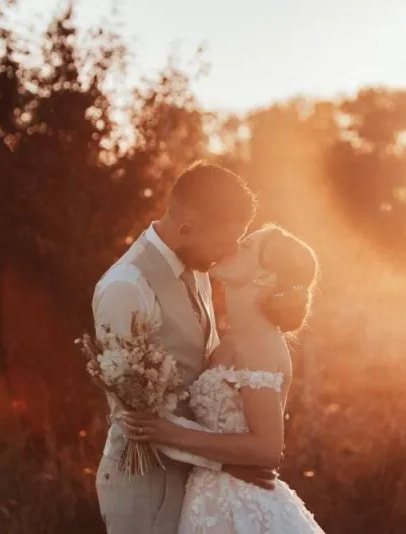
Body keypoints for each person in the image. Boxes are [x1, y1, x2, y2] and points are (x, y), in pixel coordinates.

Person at [92, 161, 277, 534]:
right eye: (223, 243)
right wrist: (223, 463)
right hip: (144, 484)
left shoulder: (198, 268)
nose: (226, 254)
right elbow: (135, 420)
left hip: (196, 478)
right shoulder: (126, 287)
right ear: (187, 228)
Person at [123, 223, 325, 533]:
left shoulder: (259, 344)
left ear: (266, 277)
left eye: (246, 247)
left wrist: (170, 432)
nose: (233, 246)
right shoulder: (231, 340)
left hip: (238, 507)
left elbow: (267, 449)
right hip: (209, 498)